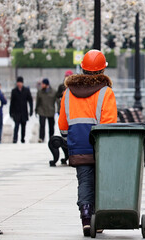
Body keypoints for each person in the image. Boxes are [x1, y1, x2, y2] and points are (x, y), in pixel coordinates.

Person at [58, 50, 117, 236]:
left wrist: (71, 141)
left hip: (78, 147)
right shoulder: (106, 93)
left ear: (82, 68)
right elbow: (110, 124)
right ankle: (98, 221)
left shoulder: (68, 93)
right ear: (102, 71)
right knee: (100, 182)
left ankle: (85, 217)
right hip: (100, 147)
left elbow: (62, 124)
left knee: (84, 182)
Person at [10, 76, 33, 143]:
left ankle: (23, 138)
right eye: (18, 82)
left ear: (22, 83)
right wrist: (11, 112)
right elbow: (12, 102)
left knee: (23, 126)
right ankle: (15, 139)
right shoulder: (14, 91)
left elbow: (30, 100)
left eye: (20, 82)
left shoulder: (26, 90)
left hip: (24, 111)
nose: (19, 84)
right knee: (16, 126)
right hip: (16, 112)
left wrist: (31, 110)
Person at [35, 78, 57, 143]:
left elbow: (57, 101)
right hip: (42, 111)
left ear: (46, 84)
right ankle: (41, 138)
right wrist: (36, 110)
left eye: (43, 84)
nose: (41, 85)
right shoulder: (40, 92)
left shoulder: (53, 91)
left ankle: (51, 137)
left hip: (51, 111)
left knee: (51, 125)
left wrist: (59, 109)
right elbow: (37, 102)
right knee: (42, 125)